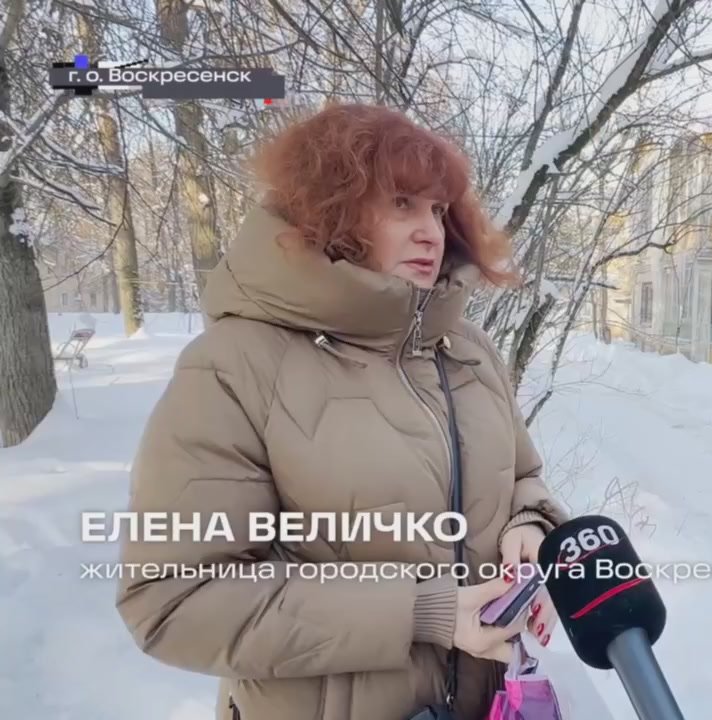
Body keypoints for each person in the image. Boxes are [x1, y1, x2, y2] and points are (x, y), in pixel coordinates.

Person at [115, 103, 569, 720]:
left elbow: (521, 478)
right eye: (402, 204)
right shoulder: (233, 366)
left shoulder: (467, 349)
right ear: (330, 209)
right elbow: (175, 599)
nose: (431, 232)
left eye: (438, 210)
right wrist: (423, 611)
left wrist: (530, 527)